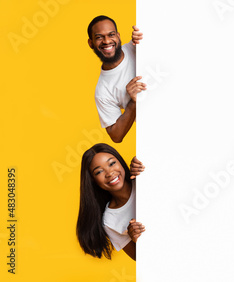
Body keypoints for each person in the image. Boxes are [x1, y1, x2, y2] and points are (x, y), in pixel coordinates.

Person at [76, 143, 145, 261]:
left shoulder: (142, 177)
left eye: (112, 163)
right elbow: (139, 258)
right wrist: (137, 240)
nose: (109, 173)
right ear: (93, 180)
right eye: (99, 172)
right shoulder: (110, 221)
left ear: (120, 161)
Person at [87, 15, 146, 143]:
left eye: (111, 34)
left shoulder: (138, 46)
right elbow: (116, 136)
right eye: (99, 37)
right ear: (91, 43)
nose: (107, 41)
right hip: (156, 129)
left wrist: (145, 35)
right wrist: (133, 102)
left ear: (118, 36)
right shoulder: (103, 91)